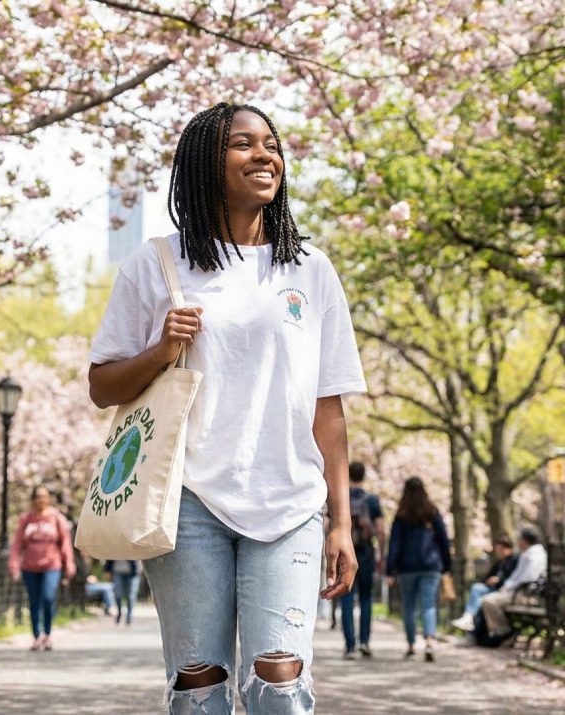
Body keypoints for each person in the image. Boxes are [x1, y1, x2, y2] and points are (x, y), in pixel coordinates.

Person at [87, 102, 366, 714]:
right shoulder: (155, 263)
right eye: (243, 144)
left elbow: (329, 408)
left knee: (279, 681)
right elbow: (103, 385)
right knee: (199, 687)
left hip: (289, 502)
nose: (264, 155)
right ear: (205, 164)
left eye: (271, 144)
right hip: (187, 503)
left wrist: (342, 523)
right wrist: (162, 349)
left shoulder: (310, 270)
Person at [385, 477, 452, 662]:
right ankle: (430, 641)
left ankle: (411, 645)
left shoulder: (401, 515)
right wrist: (447, 565)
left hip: (407, 567)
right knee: (429, 604)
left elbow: (395, 544)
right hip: (431, 565)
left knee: (409, 607)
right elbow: (444, 540)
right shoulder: (432, 512)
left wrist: (390, 569)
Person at [9, 485, 76, 652]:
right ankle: (36, 635)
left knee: (47, 598)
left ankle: (47, 633)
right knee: (33, 601)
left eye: (44, 496)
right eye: (38, 496)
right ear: (33, 499)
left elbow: (65, 542)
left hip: (51, 565)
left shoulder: (56, 518)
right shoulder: (26, 519)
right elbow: (17, 544)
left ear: (48, 499)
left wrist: (69, 563)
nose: (41, 499)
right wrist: (14, 564)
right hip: (30, 566)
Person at [340, 462, 384, 659]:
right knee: (366, 598)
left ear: (348, 475)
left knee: (347, 598)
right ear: (364, 476)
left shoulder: (341, 497)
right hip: (365, 553)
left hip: (344, 551)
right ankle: (364, 642)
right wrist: (381, 554)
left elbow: (328, 525)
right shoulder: (372, 500)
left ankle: (350, 645)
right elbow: (381, 530)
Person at [476, 527, 548, 646]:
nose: (518, 542)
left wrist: (508, 587)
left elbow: (527, 577)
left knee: (488, 601)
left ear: (525, 540)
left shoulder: (534, 556)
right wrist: (507, 586)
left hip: (526, 595)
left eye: (519, 539)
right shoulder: (527, 554)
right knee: (486, 598)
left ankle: (503, 631)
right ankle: (495, 632)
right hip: (518, 592)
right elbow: (516, 576)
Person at [453, 537, 517, 632]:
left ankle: (474, 627)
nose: (499, 552)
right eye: (497, 549)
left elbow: (514, 579)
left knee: (481, 601)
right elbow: (487, 577)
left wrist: (499, 580)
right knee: (476, 589)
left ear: (509, 549)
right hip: (492, 589)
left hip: (504, 591)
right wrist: (488, 581)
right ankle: (468, 617)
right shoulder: (499, 563)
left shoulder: (514, 561)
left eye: (501, 549)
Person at [106, 559, 141, 626]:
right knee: (117, 594)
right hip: (117, 570)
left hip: (132, 571)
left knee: (131, 595)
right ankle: (119, 612)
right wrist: (107, 569)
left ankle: (129, 616)